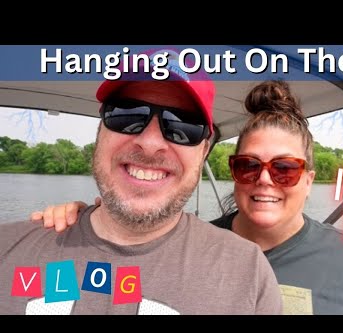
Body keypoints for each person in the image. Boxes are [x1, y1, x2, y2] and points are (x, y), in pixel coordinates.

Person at [32, 80, 343, 315]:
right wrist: (81, 228)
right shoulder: (195, 250)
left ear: (309, 178)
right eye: (249, 166)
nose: (265, 181)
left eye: (285, 168)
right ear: (234, 173)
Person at [0, 48, 283, 315]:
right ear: (100, 132)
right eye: (127, 115)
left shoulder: (248, 273)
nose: (150, 143)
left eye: (182, 126)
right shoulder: (8, 248)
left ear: (204, 151)